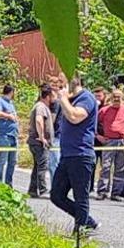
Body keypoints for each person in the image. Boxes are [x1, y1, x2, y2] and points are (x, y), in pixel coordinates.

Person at [51, 75, 99, 235]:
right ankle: (88, 221)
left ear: (75, 79)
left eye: (62, 81)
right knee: (56, 195)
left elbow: (75, 117)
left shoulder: (87, 98)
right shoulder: (68, 99)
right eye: (59, 83)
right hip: (67, 155)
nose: (60, 85)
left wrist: (63, 99)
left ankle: (81, 233)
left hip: (81, 155)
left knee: (81, 197)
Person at [96, 89, 124, 201]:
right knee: (105, 167)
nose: (116, 99)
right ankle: (102, 191)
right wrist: (97, 136)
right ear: (111, 97)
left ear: (122, 98)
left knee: (121, 168)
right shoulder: (104, 110)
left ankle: (116, 193)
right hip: (109, 142)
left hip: (123, 142)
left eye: (119, 97)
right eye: (114, 96)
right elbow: (93, 123)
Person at [27, 84, 55, 198]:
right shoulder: (41, 107)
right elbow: (39, 120)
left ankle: (33, 190)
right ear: (48, 96)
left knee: (37, 166)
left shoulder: (39, 105)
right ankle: (43, 189)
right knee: (43, 166)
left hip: (34, 141)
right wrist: (42, 136)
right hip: (38, 142)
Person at [0, 84, 19, 186]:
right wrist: (8, 116)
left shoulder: (11, 103)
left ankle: (8, 183)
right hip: (4, 136)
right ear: (11, 92)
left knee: (12, 161)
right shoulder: (0, 101)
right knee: (2, 160)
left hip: (13, 136)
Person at [90, 87, 108, 192]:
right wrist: (96, 135)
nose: (97, 98)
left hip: (106, 140)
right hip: (94, 139)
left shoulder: (106, 108)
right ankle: (90, 187)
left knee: (105, 166)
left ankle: (103, 188)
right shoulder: (91, 107)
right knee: (92, 164)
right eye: (95, 96)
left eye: (99, 96)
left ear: (104, 97)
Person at [47, 76, 63, 180]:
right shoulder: (55, 100)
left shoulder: (56, 102)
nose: (54, 88)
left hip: (56, 135)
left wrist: (46, 134)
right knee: (53, 163)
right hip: (58, 135)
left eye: (56, 85)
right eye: (52, 85)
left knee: (54, 163)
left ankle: (55, 187)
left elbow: (51, 120)